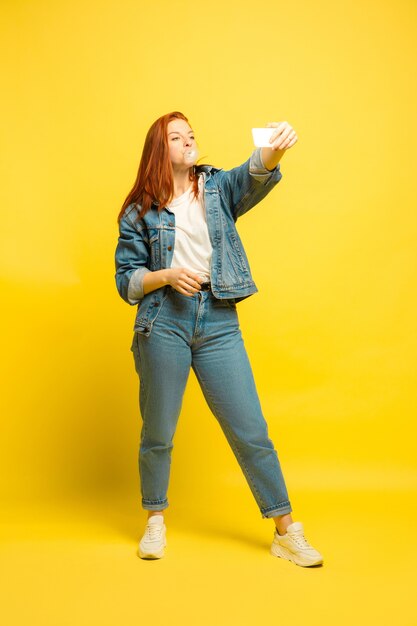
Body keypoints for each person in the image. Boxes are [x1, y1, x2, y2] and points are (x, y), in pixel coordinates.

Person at [115, 111, 323, 567]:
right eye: (176, 136)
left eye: (191, 133)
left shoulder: (214, 188)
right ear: (158, 149)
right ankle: (155, 520)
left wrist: (277, 147)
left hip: (218, 320)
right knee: (158, 433)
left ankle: (286, 532)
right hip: (162, 321)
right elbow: (126, 281)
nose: (188, 140)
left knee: (251, 431)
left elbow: (254, 174)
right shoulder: (138, 211)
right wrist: (165, 275)